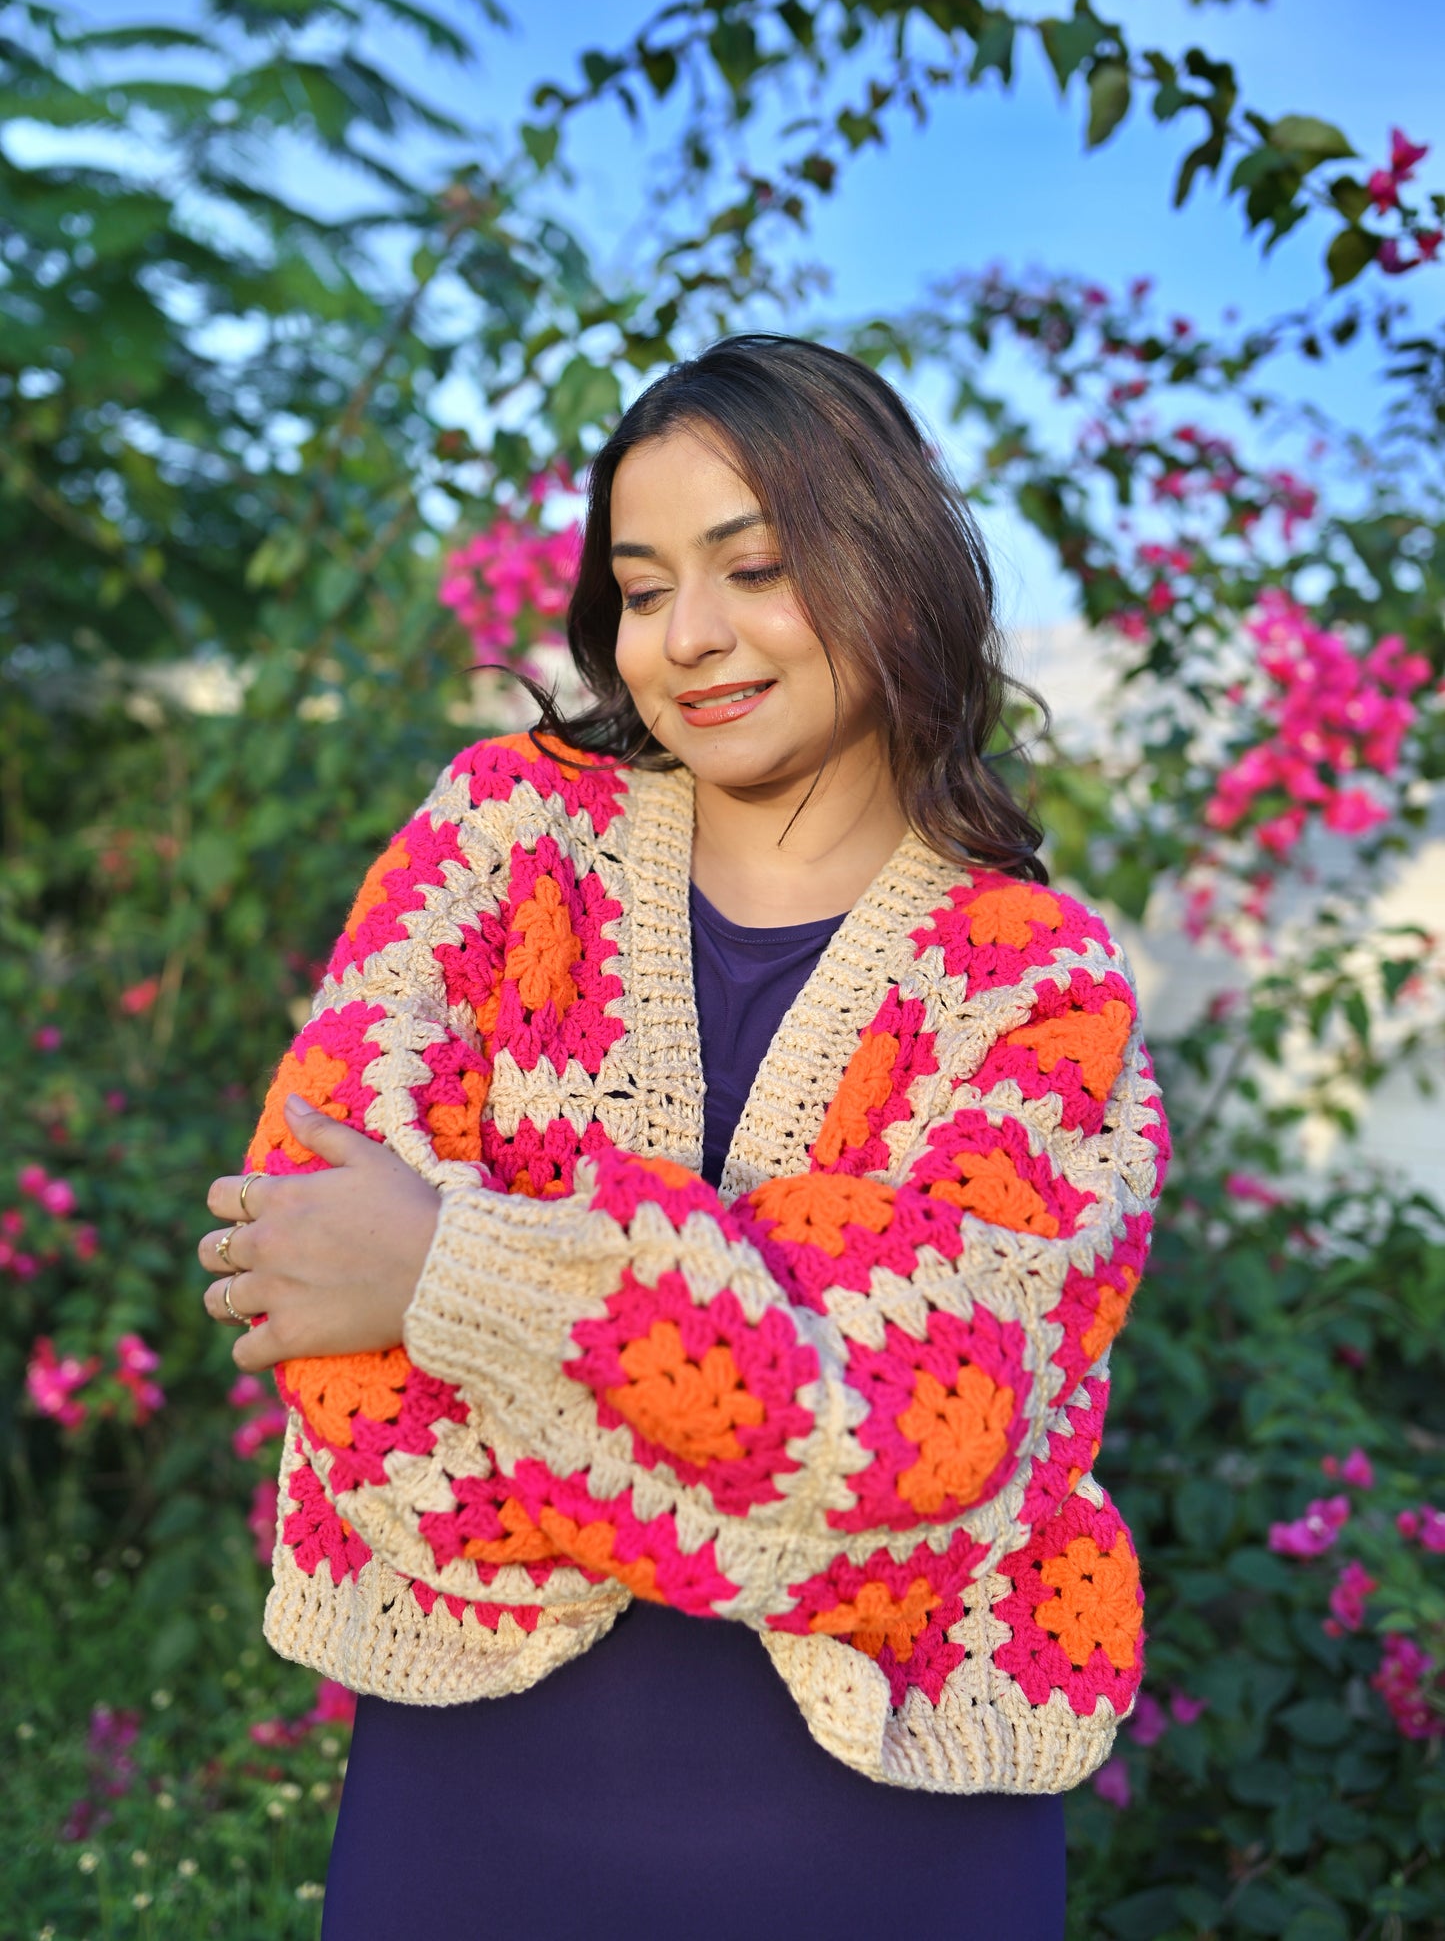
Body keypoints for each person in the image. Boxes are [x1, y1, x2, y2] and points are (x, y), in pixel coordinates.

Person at [198, 335, 1168, 1940]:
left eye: (756, 566)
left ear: (895, 566)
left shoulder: (1035, 985)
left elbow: (930, 1444)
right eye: (642, 590)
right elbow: (310, 1275)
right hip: (472, 1810)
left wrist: (455, 1268)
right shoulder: (500, 846)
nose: (689, 639)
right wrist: (762, 1368)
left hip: (884, 1844)